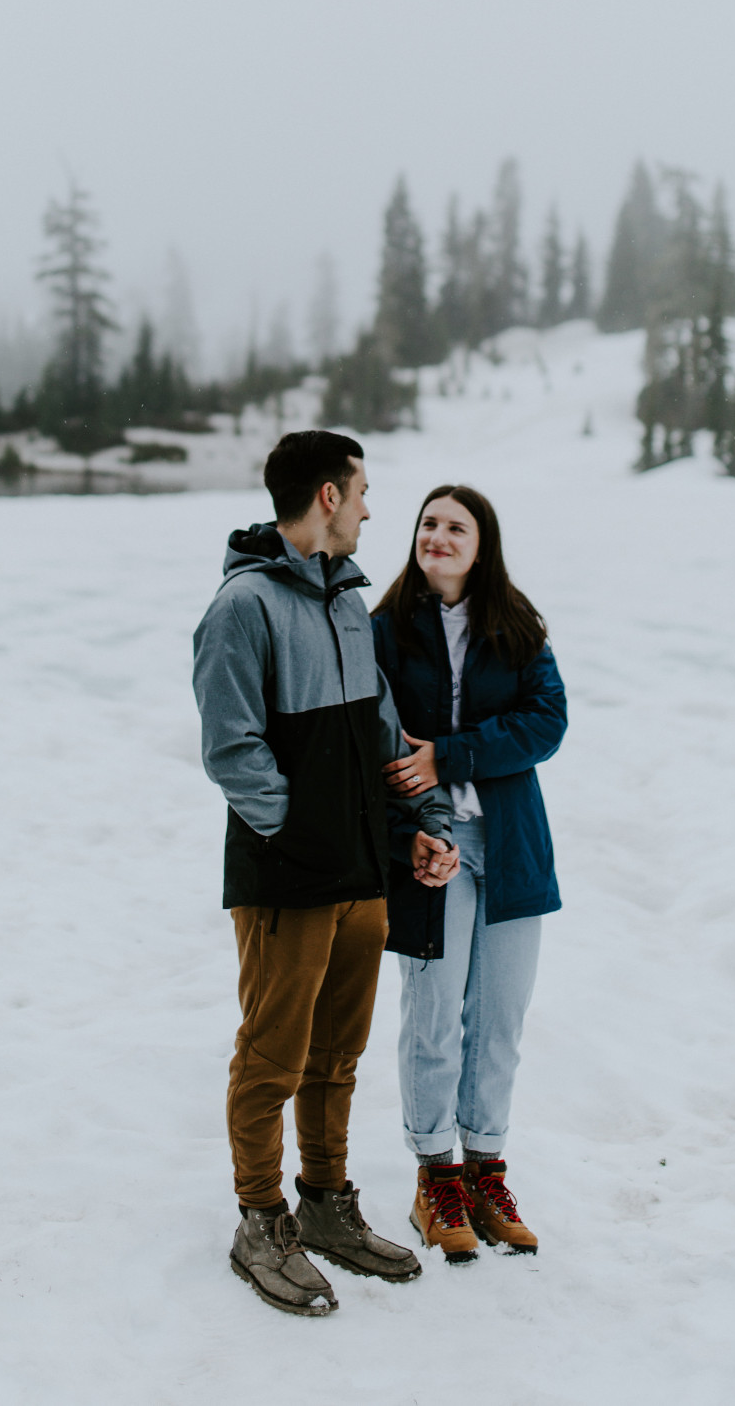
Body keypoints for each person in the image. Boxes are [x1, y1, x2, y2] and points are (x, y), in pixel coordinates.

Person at [194, 430, 459, 1317]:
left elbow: (380, 733)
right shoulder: (243, 610)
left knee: (335, 1057)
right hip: (287, 881)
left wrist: (422, 819)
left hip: (360, 875)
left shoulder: (348, 604)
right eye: (363, 490)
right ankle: (261, 1220)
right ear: (328, 497)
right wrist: (301, 840)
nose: (373, 508)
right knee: (272, 1056)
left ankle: (326, 1203)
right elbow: (233, 754)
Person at [374, 484, 567, 1263]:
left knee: (500, 1017)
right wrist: (417, 816)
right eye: (428, 524)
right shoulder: (384, 629)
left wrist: (450, 754)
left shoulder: (516, 626)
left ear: (482, 545)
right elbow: (379, 731)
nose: (439, 537)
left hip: (512, 840)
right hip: (431, 843)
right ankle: (436, 1179)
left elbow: (546, 721)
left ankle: (486, 1170)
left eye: (456, 527)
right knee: (434, 1015)